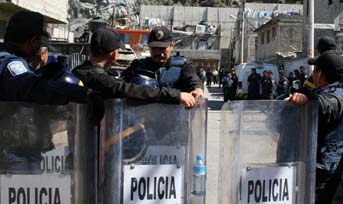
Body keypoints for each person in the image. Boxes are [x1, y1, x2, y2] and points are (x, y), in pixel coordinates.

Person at [0, 11, 99, 173]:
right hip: (13, 156)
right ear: (33, 41)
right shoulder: (12, 64)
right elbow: (31, 86)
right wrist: (83, 93)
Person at [72, 27, 196, 108]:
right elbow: (128, 89)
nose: (159, 52)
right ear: (114, 54)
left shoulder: (77, 72)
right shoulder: (100, 78)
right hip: (96, 142)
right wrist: (177, 95)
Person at [284, 51, 343, 204]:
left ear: (321, 73)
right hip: (319, 163)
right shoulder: (328, 91)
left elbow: (326, 105)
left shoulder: (336, 96)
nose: (313, 73)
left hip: (325, 167)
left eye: (316, 69)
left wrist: (308, 99)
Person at [122, 26, 204, 98]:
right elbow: (121, 86)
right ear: (149, 47)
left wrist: (197, 89)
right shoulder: (137, 66)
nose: (159, 53)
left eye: (162, 48)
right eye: (155, 48)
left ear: (171, 46)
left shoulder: (183, 66)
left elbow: (193, 80)